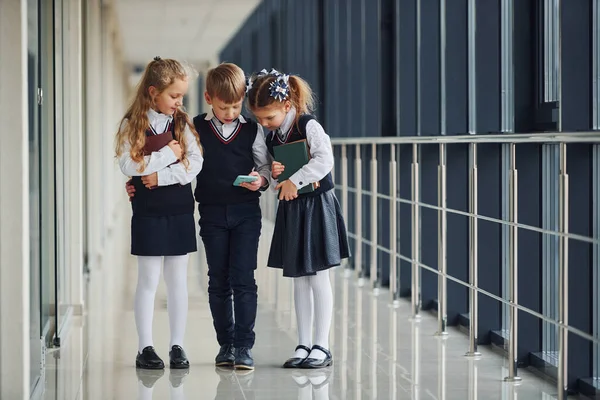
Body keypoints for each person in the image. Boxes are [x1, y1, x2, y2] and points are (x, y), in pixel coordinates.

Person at [126, 63, 271, 370]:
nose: (230, 112)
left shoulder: (243, 129)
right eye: (223, 106)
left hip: (235, 211)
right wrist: (155, 168)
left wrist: (263, 179)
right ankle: (221, 344)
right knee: (215, 280)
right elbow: (133, 164)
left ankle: (239, 346)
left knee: (241, 279)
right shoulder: (191, 125)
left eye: (235, 106)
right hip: (206, 212)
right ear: (209, 98)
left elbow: (201, 163)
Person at [246, 69, 350, 369]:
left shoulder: (309, 125)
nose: (264, 125)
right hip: (293, 207)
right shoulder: (273, 134)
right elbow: (270, 166)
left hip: (316, 205)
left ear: (287, 105)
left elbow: (324, 160)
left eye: (269, 118)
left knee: (318, 276)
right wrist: (276, 173)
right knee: (299, 279)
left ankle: (322, 345)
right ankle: (303, 343)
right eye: (260, 120)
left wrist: (296, 181)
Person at [116, 57, 203, 370]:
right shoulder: (132, 124)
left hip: (179, 208)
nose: (179, 102)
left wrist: (159, 175)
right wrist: (168, 155)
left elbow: (194, 164)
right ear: (153, 92)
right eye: (174, 96)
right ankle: (145, 348)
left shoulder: (182, 123)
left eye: (181, 96)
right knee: (148, 280)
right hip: (148, 211)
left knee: (178, 281)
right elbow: (129, 165)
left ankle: (177, 346)